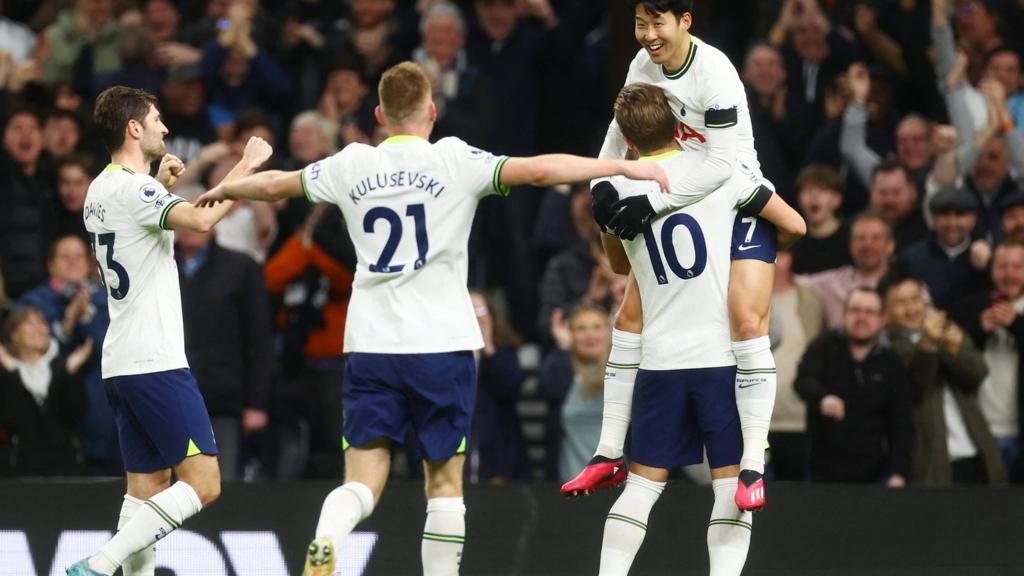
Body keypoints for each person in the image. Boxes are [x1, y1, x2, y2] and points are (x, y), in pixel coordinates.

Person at [193, 61, 668, 576]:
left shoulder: (350, 164)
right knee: (443, 483)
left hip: (372, 344)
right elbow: (537, 169)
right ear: (432, 111)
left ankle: (329, 536)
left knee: (361, 478)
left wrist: (229, 187)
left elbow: (276, 186)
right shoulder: (454, 159)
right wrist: (621, 167)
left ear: (379, 114)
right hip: (441, 344)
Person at [566, 0, 806, 513]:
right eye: (639, 23)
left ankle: (753, 464)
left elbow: (720, 166)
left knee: (744, 320)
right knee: (628, 314)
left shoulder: (715, 74)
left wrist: (650, 199)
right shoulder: (641, 66)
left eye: (658, 23)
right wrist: (603, 184)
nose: (648, 35)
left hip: (733, 193)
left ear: (684, 22)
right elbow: (618, 133)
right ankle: (609, 451)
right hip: (675, 185)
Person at [584, 81, 802, 576]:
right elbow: (794, 224)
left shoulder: (618, 191)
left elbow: (619, 266)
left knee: (640, 488)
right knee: (730, 488)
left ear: (629, 142)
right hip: (722, 359)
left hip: (659, 361)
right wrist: (751, 256)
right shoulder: (718, 174)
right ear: (682, 124)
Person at [66, 86, 272, 576]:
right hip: (155, 361)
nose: (165, 127)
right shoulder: (138, 191)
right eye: (156, 119)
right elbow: (199, 222)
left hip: (121, 362)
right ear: (133, 128)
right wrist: (245, 167)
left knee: (146, 490)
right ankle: (99, 564)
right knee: (205, 483)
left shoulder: (100, 188)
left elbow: (137, 226)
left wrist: (158, 180)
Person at [881, 272, 1006, 485]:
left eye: (915, 299)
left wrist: (955, 350)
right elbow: (917, 386)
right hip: (931, 460)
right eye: (901, 303)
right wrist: (928, 345)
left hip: (977, 451)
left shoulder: (947, 330)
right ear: (886, 311)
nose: (911, 309)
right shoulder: (886, 350)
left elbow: (977, 374)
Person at [795, 286, 914, 484]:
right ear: (844, 314)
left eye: (870, 312)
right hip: (822, 473)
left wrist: (899, 473)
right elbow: (802, 381)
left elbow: (902, 421)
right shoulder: (824, 346)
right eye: (855, 310)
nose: (862, 318)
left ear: (882, 319)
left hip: (875, 475)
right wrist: (822, 398)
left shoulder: (891, 361)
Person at [0, 306, 93, 476]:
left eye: (42, 323)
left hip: (66, 469)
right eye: (30, 323)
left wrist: (68, 374)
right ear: (14, 334)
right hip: (19, 472)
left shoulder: (64, 366)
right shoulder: (5, 372)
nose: (39, 328)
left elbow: (76, 413)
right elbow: (11, 419)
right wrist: (11, 374)